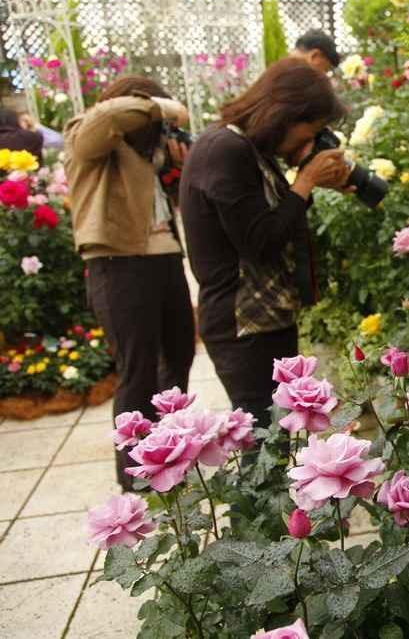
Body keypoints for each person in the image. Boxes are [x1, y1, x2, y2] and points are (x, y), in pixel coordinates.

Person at [180, 58, 351, 425]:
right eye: (310, 131)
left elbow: (276, 223)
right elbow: (261, 242)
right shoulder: (225, 150)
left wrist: (311, 183)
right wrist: (303, 182)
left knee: (274, 437)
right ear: (285, 114)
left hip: (262, 321)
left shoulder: (247, 149)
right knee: (263, 439)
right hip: (242, 327)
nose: (309, 141)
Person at [63, 76, 195, 489]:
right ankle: (134, 478)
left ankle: (169, 459)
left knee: (179, 357)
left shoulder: (148, 152)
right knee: (137, 370)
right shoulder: (88, 132)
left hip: (165, 259)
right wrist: (160, 104)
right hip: (117, 263)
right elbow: (108, 117)